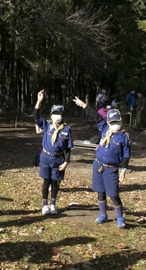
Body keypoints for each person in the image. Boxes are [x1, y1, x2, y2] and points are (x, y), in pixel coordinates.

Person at [73, 96, 131, 228]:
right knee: (100, 191)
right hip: (98, 165)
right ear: (108, 122)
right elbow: (96, 116)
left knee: (113, 194)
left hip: (111, 168)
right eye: (112, 122)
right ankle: (103, 214)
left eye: (116, 122)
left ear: (120, 121)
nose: (114, 124)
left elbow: (126, 155)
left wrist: (123, 170)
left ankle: (120, 217)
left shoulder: (124, 137)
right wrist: (84, 105)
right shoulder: (105, 129)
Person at [34, 89, 72, 215]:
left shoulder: (66, 129)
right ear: (51, 115)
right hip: (45, 157)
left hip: (58, 159)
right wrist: (39, 101)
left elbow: (68, 148)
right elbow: (36, 116)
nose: (57, 116)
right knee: (46, 181)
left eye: (59, 114)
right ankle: (44, 205)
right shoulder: (46, 125)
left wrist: (66, 162)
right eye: (54, 113)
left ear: (63, 115)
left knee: (55, 182)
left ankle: (53, 204)